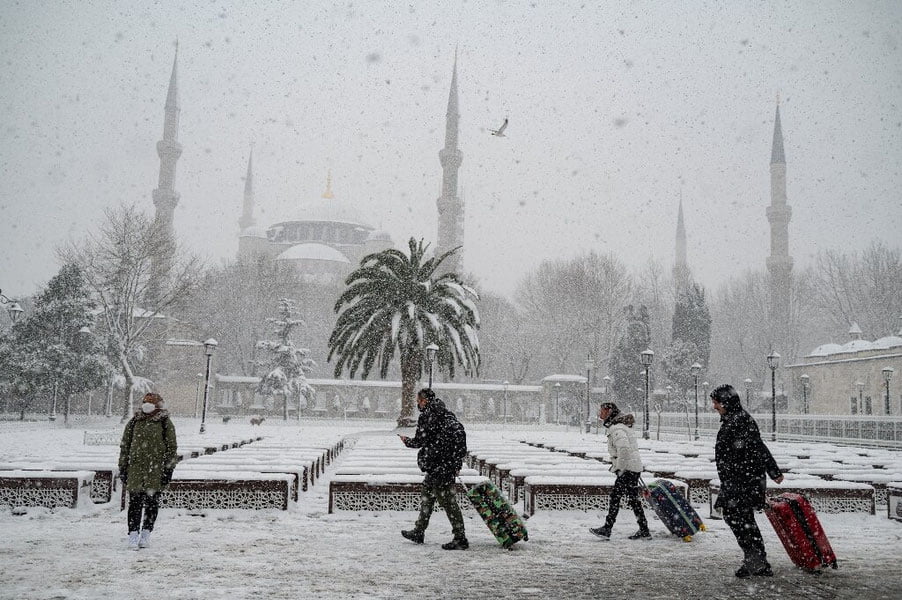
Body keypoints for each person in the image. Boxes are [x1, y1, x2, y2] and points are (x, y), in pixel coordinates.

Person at [710, 383, 784, 578]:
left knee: (739, 519)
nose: (714, 406)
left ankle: (756, 560)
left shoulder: (739, 421)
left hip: (744, 480)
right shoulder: (734, 419)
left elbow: (758, 448)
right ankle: (756, 560)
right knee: (740, 519)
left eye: (716, 402)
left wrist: (773, 470)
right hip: (738, 480)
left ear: (725, 402)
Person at [398, 388, 469, 550]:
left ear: (426, 400)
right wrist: (455, 464)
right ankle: (419, 531)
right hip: (444, 466)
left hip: (439, 467)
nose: (418, 404)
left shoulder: (428, 417)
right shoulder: (447, 414)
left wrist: (407, 441)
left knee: (449, 503)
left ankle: (460, 538)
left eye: (420, 401)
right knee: (427, 497)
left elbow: (420, 441)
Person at [118, 392, 178, 550]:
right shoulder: (134, 422)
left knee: (151, 504)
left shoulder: (165, 423)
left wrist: (168, 470)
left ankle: (146, 533)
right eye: (145, 402)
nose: (147, 405)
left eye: (151, 402)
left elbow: (171, 449)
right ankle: (132, 534)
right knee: (135, 504)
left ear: (158, 405)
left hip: (155, 471)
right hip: (136, 471)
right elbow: (125, 446)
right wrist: (123, 467)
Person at [589, 402, 650, 540]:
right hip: (631, 469)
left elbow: (624, 450)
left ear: (610, 412)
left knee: (616, 498)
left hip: (627, 470)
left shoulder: (617, 429)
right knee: (633, 500)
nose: (600, 414)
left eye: (603, 411)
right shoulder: (618, 427)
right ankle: (644, 529)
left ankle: (607, 528)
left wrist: (620, 468)